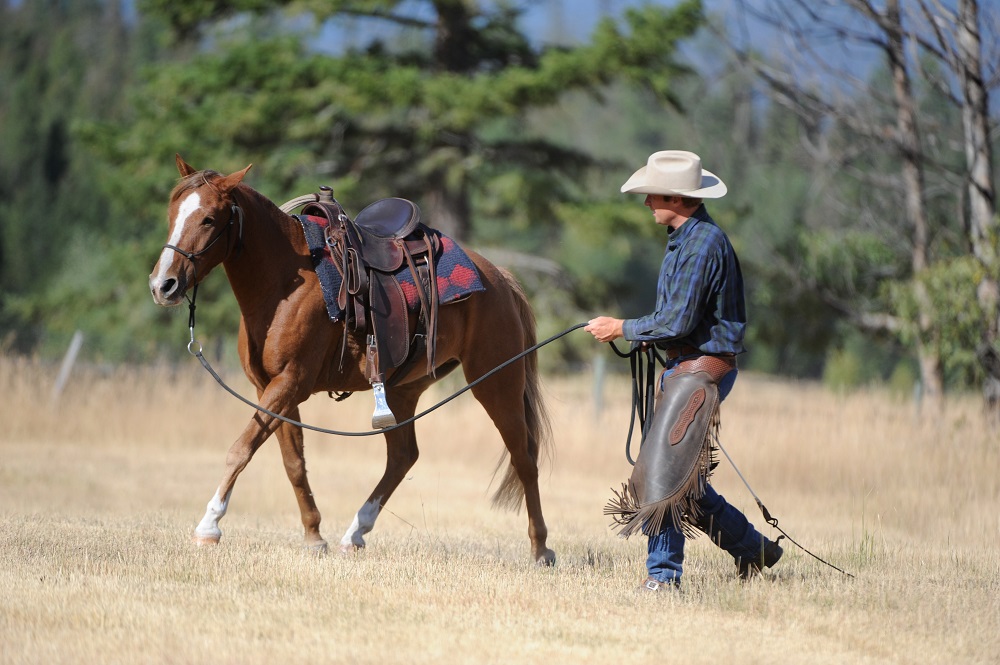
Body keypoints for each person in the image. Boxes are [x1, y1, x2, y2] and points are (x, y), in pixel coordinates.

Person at [585, 150, 782, 591]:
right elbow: (675, 317)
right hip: (687, 368)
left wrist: (622, 327)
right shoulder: (686, 239)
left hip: (700, 369)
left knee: (663, 470)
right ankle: (754, 550)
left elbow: (676, 322)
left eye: (652, 194)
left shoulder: (702, 244)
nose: (646, 202)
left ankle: (663, 578)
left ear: (676, 197)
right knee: (683, 481)